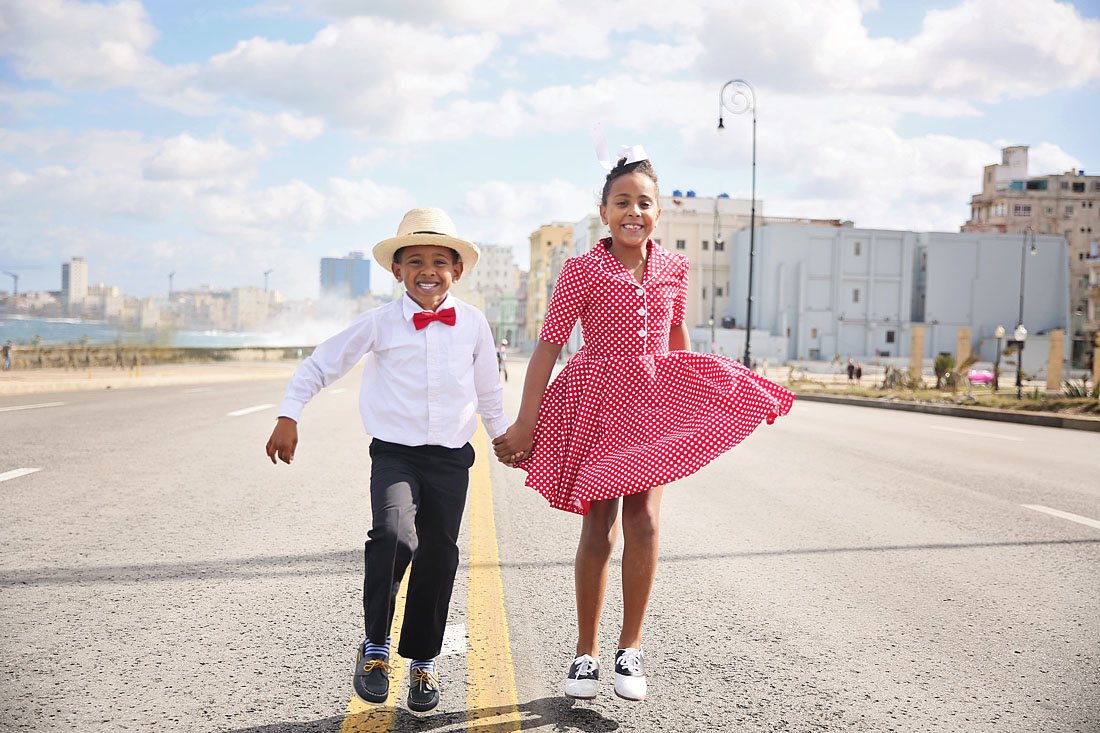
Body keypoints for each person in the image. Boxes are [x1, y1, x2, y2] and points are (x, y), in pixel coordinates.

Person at [492, 148, 794, 703]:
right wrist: (526, 422)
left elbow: (678, 343)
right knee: (598, 525)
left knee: (646, 522)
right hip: (596, 403)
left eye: (644, 203)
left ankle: (630, 646)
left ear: (660, 213)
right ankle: (585, 653)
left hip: (654, 403)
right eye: (622, 202)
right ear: (603, 211)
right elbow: (548, 349)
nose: (634, 211)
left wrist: (699, 401)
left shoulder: (675, 268)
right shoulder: (580, 269)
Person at [265, 207, 507, 714]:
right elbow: (321, 363)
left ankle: (422, 661)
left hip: (451, 461)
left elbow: (489, 391)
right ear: (396, 270)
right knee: (395, 536)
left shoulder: (474, 324)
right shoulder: (379, 323)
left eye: (440, 260)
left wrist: (504, 438)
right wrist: (290, 415)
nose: (427, 270)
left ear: (457, 271)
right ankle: (375, 646)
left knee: (439, 558)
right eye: (414, 260)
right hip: (395, 454)